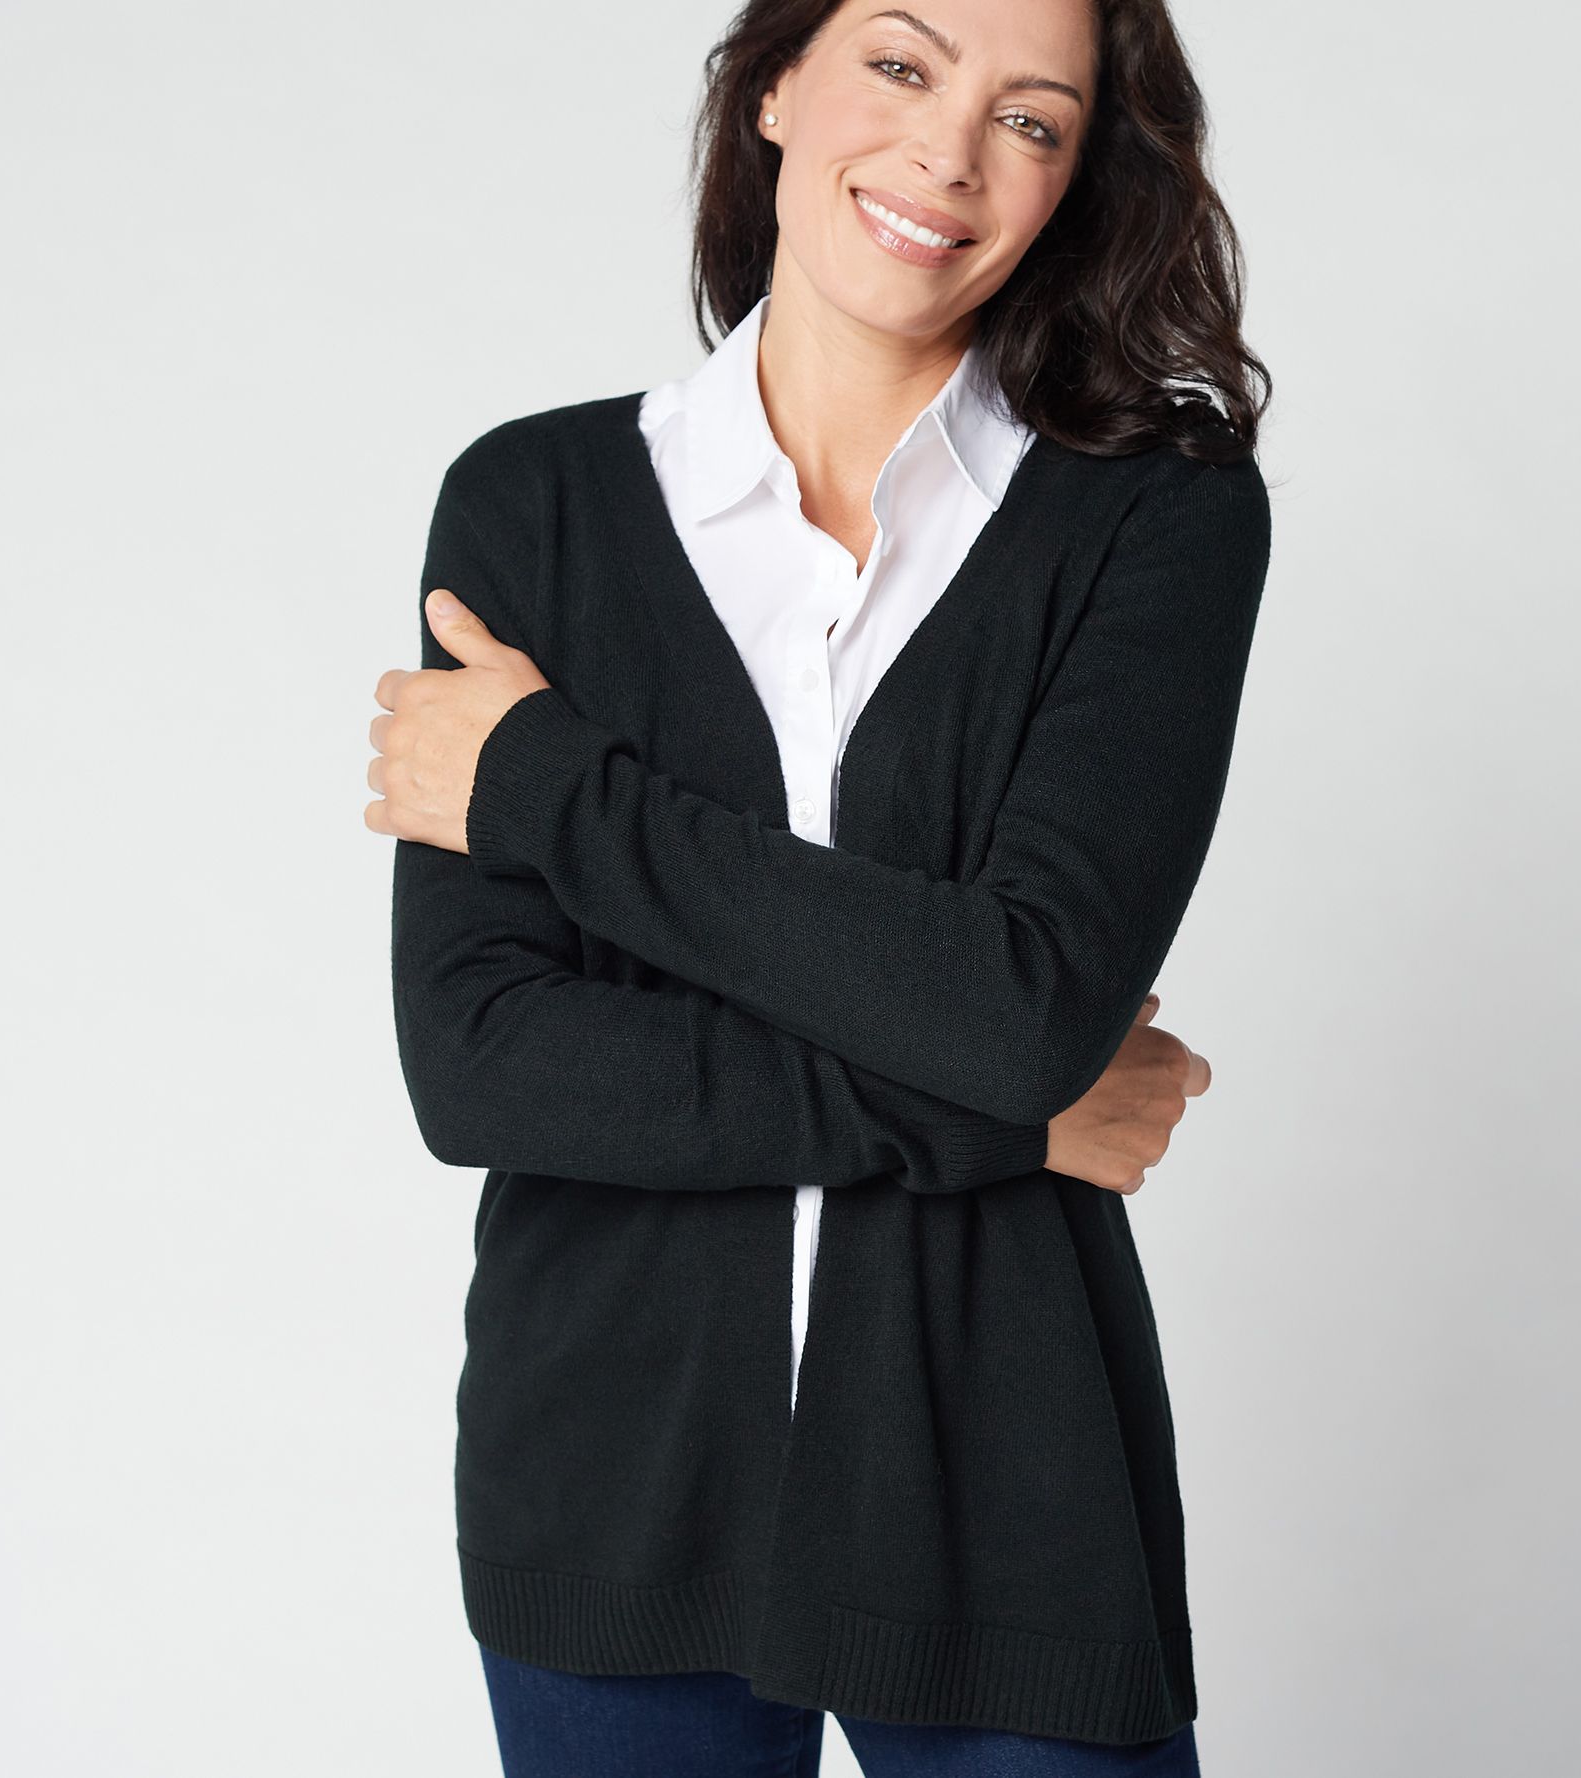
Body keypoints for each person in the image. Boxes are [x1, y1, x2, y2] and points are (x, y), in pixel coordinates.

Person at [366, 0, 1272, 1771]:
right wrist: (1007, 1112)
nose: (949, 150)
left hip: (1003, 1482)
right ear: (776, 83)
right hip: (602, 1483)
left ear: (1076, 179)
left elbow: (1020, 1007)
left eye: (1033, 119)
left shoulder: (1153, 517)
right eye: (903, 65)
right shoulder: (534, 505)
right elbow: (482, 1066)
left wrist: (554, 788)